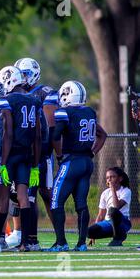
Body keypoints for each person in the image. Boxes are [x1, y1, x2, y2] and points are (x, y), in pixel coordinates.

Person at [48, 80, 107, 252]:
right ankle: (81, 244)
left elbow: (56, 136)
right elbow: (102, 135)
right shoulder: (89, 111)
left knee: (55, 201)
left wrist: (59, 156)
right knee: (81, 204)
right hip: (87, 162)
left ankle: (61, 243)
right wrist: (92, 152)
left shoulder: (64, 112)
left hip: (71, 161)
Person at [6, 57, 57, 251]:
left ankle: (59, 236)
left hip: (40, 153)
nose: (24, 78)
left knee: (46, 194)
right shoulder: (20, 95)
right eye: (22, 74)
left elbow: (48, 126)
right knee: (23, 194)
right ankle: (24, 236)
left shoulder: (45, 93)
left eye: (26, 73)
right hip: (27, 153)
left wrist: (45, 151)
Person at [0, 65, 42, 252]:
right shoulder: (34, 101)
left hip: (10, 154)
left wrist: (3, 163)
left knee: (3, 198)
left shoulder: (7, 100)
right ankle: (26, 243)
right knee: (23, 197)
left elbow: (8, 134)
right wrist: (35, 165)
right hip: (26, 155)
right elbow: (37, 136)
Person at [88, 167, 131, 246]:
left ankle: (119, 237)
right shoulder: (105, 193)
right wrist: (92, 236)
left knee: (113, 211)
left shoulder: (126, 191)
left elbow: (116, 206)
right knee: (88, 232)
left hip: (123, 222)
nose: (109, 180)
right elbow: (101, 215)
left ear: (120, 179)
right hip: (108, 223)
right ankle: (116, 234)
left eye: (112, 177)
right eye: (107, 178)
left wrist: (113, 189)